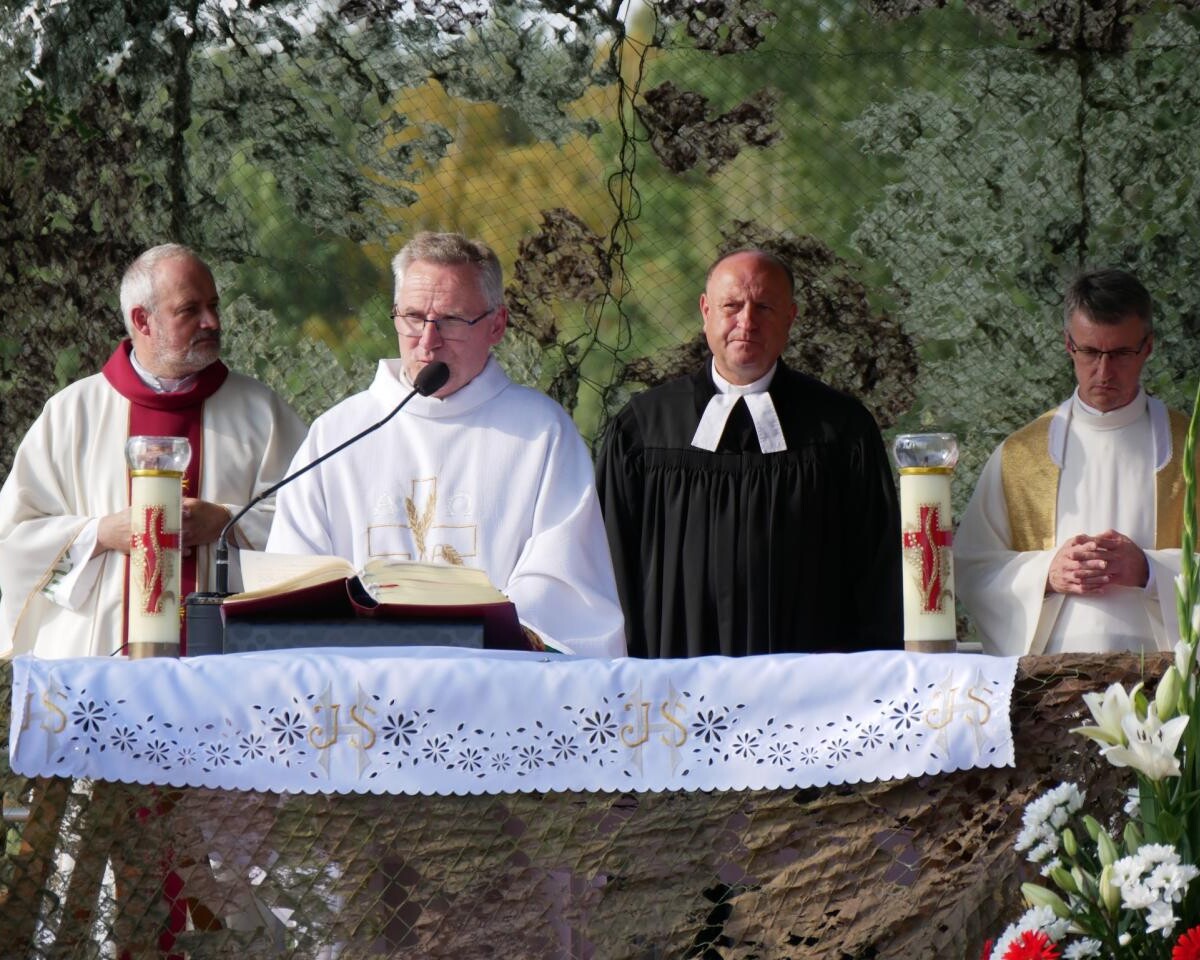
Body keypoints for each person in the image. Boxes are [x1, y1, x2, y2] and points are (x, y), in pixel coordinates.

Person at [266, 231, 626, 657]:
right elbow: (294, 577)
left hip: (491, 682)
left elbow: (562, 586)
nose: (427, 340)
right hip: (362, 683)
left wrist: (467, 639)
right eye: (414, 317)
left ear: (497, 325)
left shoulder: (540, 433)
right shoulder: (339, 434)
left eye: (451, 320)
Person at [0, 244, 307, 658]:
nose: (212, 321)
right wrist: (102, 533)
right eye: (189, 310)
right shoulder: (72, 413)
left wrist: (225, 521)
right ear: (142, 320)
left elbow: (312, 525)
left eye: (213, 305)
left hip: (229, 659)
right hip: (101, 660)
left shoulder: (261, 413)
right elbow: (15, 537)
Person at [595, 248, 903, 658]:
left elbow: (876, 571)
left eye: (764, 307)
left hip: (808, 683)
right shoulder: (642, 430)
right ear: (706, 311)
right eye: (732, 306)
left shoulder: (841, 430)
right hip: (671, 680)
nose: (747, 322)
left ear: (790, 318)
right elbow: (607, 565)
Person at [956, 267, 1196, 655]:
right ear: (1068, 345)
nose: (1104, 372)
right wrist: (1046, 575)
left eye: (1120, 353)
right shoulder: (1022, 457)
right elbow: (972, 567)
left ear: (1148, 346)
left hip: (1165, 683)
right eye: (1089, 352)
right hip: (1049, 681)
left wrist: (1150, 572)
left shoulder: (1192, 451)